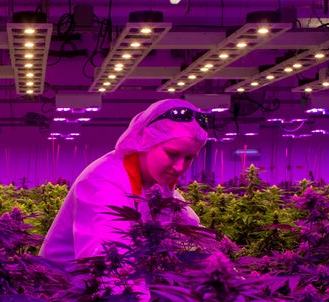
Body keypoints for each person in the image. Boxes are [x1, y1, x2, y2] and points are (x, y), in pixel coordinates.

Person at [39, 98, 208, 268]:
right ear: (147, 141)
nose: (179, 167)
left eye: (189, 158)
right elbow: (108, 266)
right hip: (64, 288)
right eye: (172, 154)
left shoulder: (158, 184)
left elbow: (192, 230)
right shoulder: (102, 182)